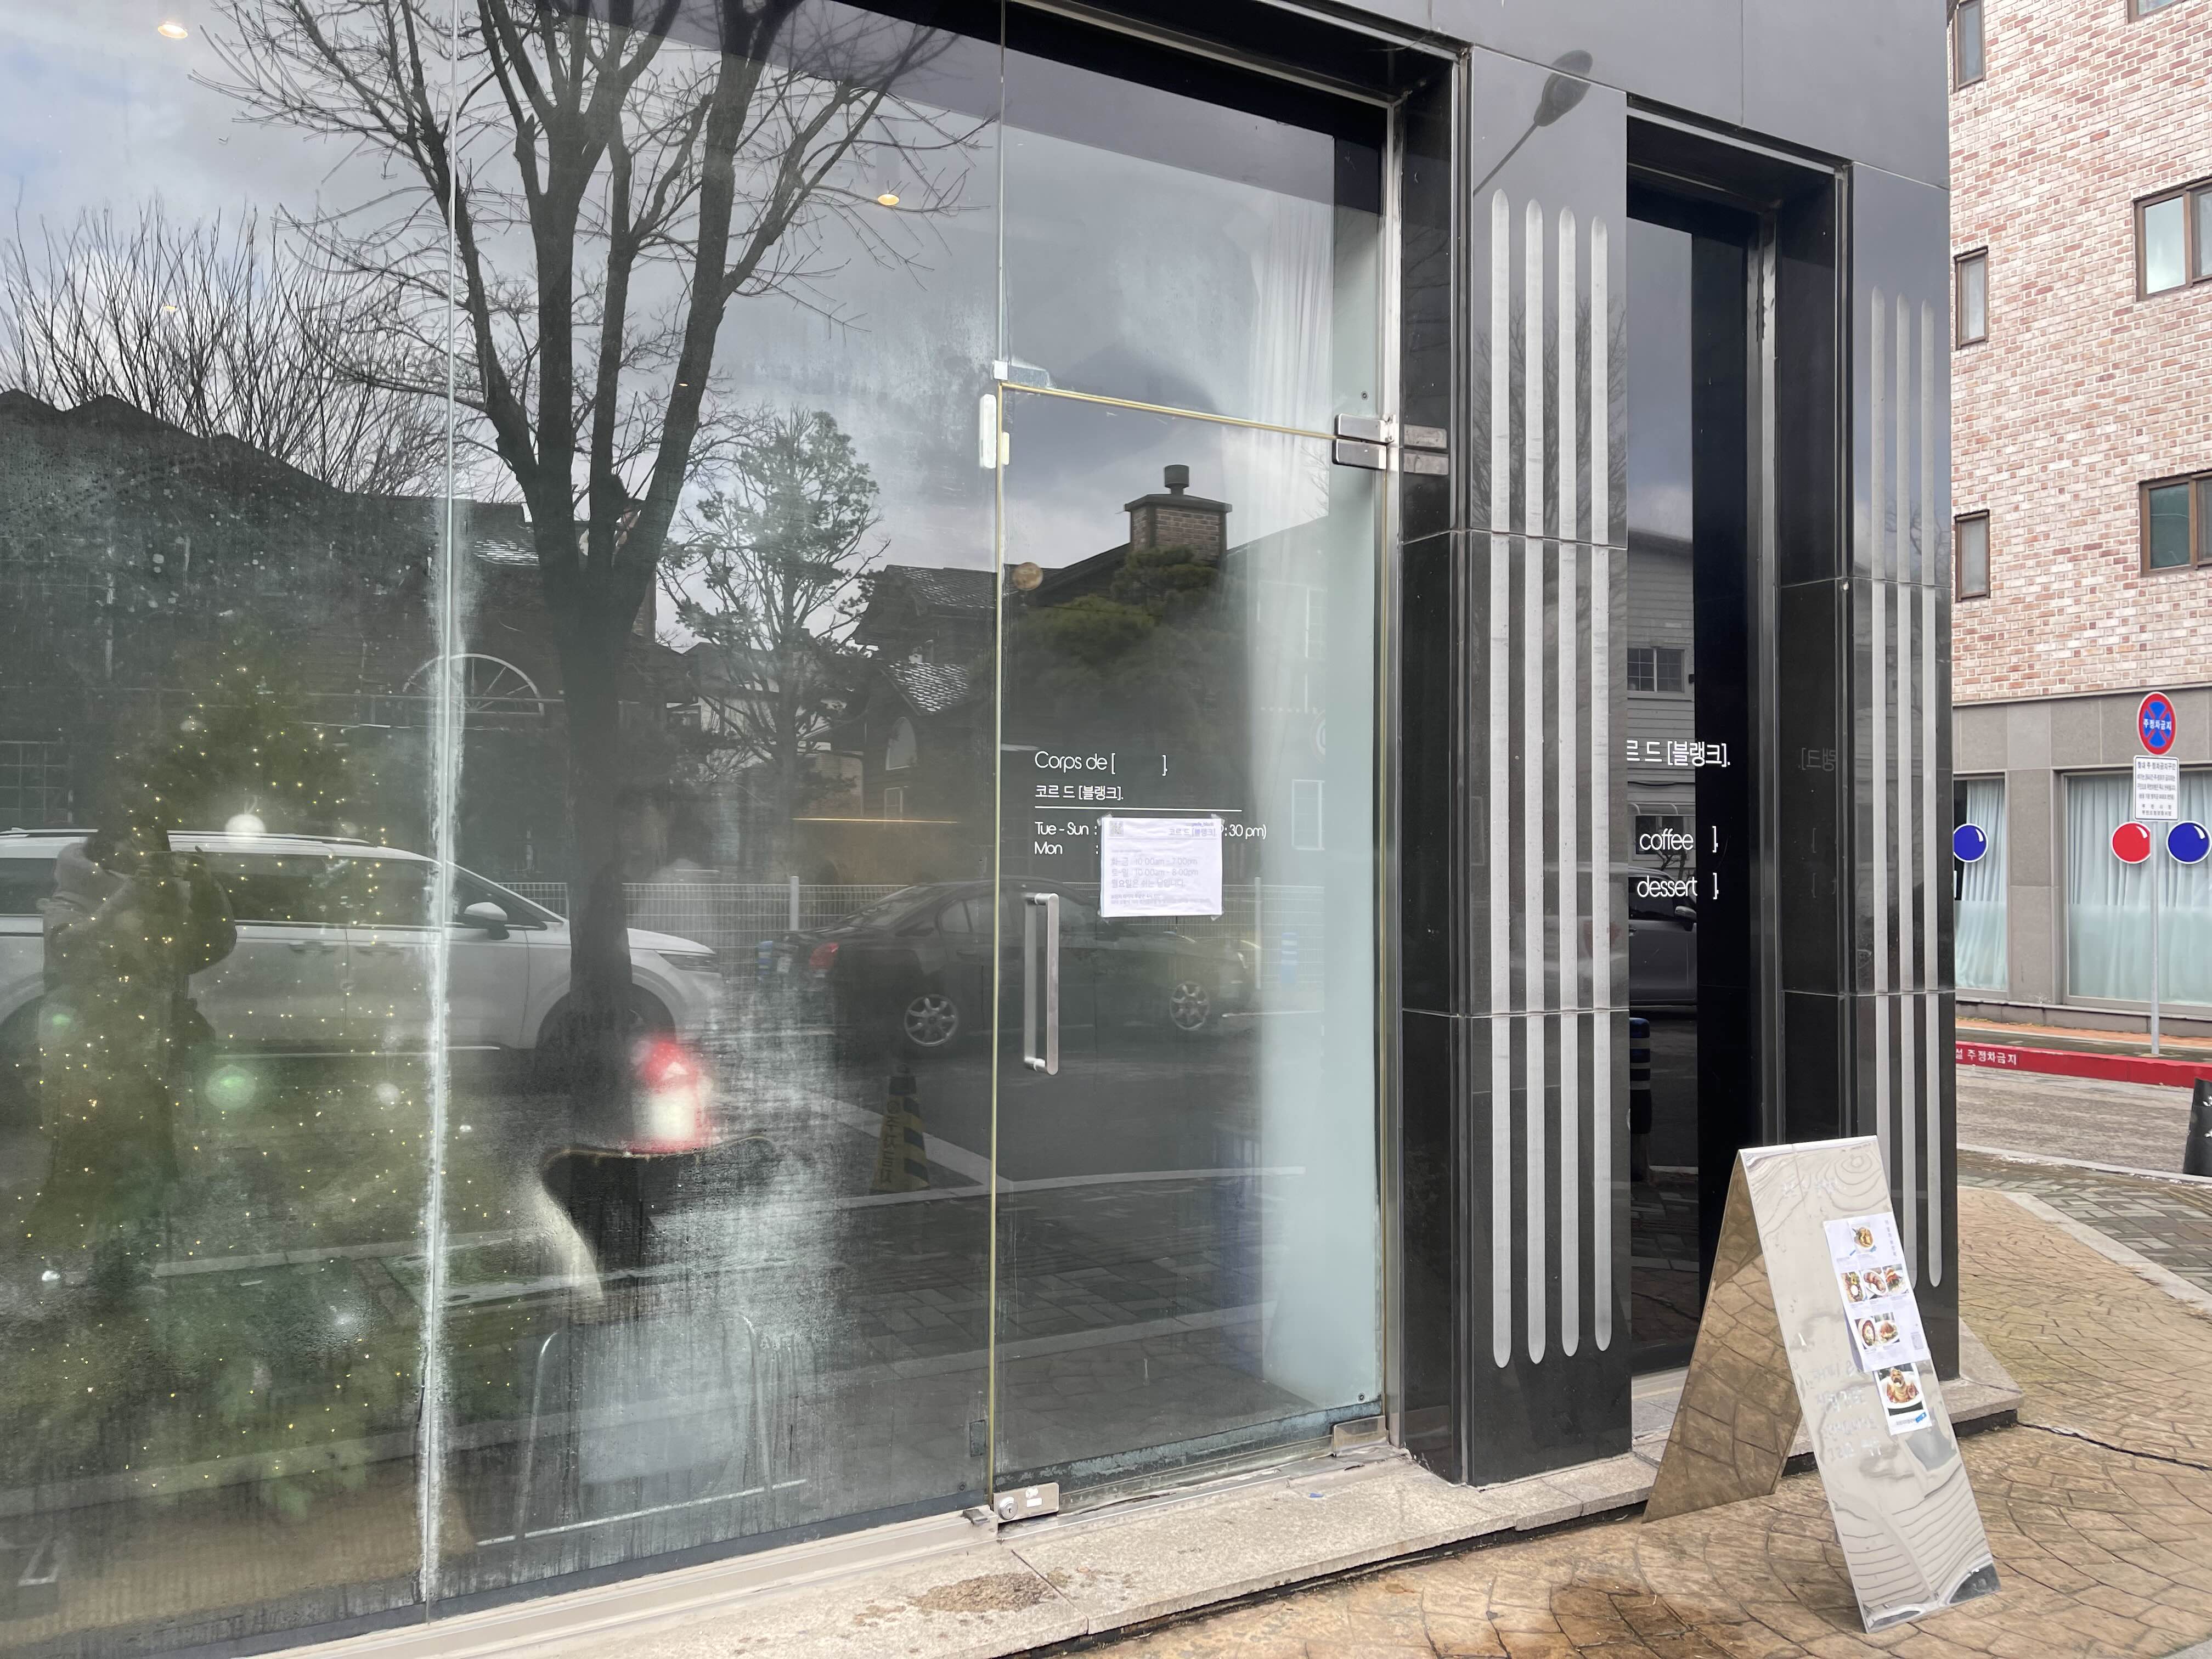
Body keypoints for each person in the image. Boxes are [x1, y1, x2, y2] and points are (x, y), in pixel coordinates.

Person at [30, 827, 235, 1299]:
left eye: (152, 845)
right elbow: (69, 950)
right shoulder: (72, 898)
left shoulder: (164, 908)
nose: (142, 852)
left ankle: (129, 1268)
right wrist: (125, 898)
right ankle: (64, 1267)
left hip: (151, 1055)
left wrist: (207, 892)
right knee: (86, 1161)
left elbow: (208, 947)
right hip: (89, 1057)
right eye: (131, 841)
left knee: (146, 1163)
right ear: (105, 849)